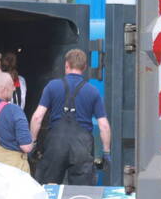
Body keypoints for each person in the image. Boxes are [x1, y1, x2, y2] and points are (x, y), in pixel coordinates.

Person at [29, 49, 111, 186]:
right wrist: (106, 152)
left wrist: (33, 144)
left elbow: (37, 117)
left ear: (66, 65)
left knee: (47, 191)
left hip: (55, 145)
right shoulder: (93, 91)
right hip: (82, 147)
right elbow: (104, 126)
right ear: (84, 67)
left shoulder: (52, 86)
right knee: (82, 195)